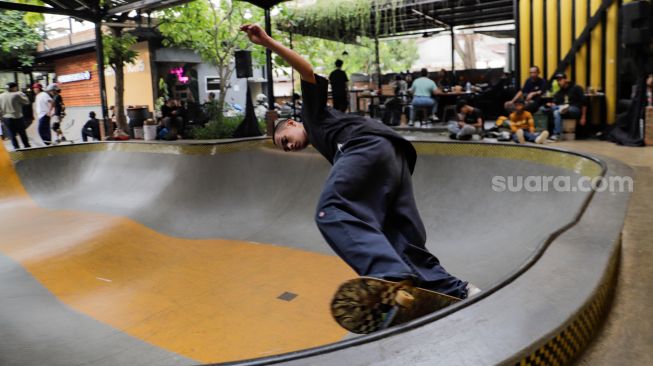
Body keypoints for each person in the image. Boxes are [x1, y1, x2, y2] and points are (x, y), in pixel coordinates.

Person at [240, 23, 480, 300]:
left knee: (332, 210)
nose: (289, 147)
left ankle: (389, 278)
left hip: (366, 146)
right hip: (394, 155)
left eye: (285, 140)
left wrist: (267, 41)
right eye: (285, 149)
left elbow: (306, 70)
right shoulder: (327, 138)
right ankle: (459, 290)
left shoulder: (311, 115)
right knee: (399, 234)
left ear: (292, 123)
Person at [539, 73, 587, 141]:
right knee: (543, 108)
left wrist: (583, 117)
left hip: (574, 109)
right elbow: (555, 102)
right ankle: (541, 132)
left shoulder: (576, 88)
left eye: (561, 80)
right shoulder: (559, 92)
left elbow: (584, 103)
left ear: (566, 80)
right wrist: (551, 104)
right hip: (561, 108)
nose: (559, 82)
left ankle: (557, 134)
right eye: (558, 80)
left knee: (558, 111)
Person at [0, 82, 31, 149]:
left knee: (11, 134)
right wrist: (22, 94)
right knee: (22, 133)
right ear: (14, 87)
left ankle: (16, 147)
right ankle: (27, 146)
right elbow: (27, 102)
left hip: (6, 118)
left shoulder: (1, 96)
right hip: (17, 117)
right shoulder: (17, 95)